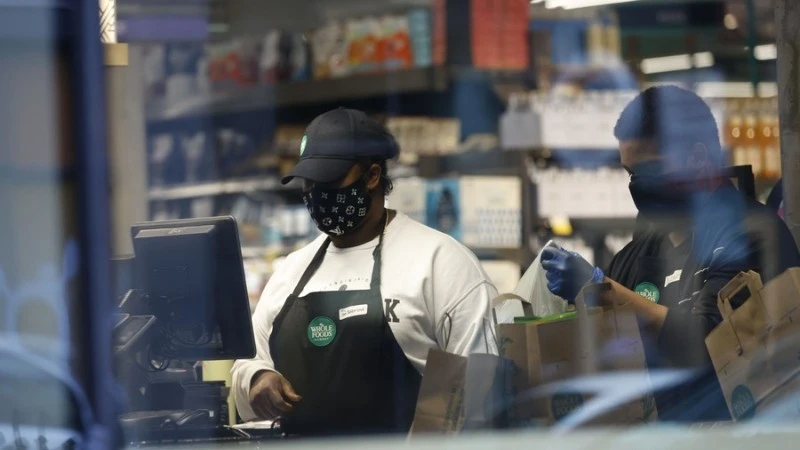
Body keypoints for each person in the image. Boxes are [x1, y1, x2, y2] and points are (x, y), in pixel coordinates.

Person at [231, 108, 498, 435]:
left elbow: (482, 384)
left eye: (328, 180)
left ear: (372, 176)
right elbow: (247, 360)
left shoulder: (441, 263)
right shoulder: (291, 271)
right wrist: (257, 378)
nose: (316, 193)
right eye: (309, 182)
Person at [540, 86, 800, 422]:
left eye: (650, 170)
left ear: (698, 158)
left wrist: (602, 290)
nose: (637, 186)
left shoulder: (751, 234)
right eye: (630, 174)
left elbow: (710, 345)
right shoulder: (636, 255)